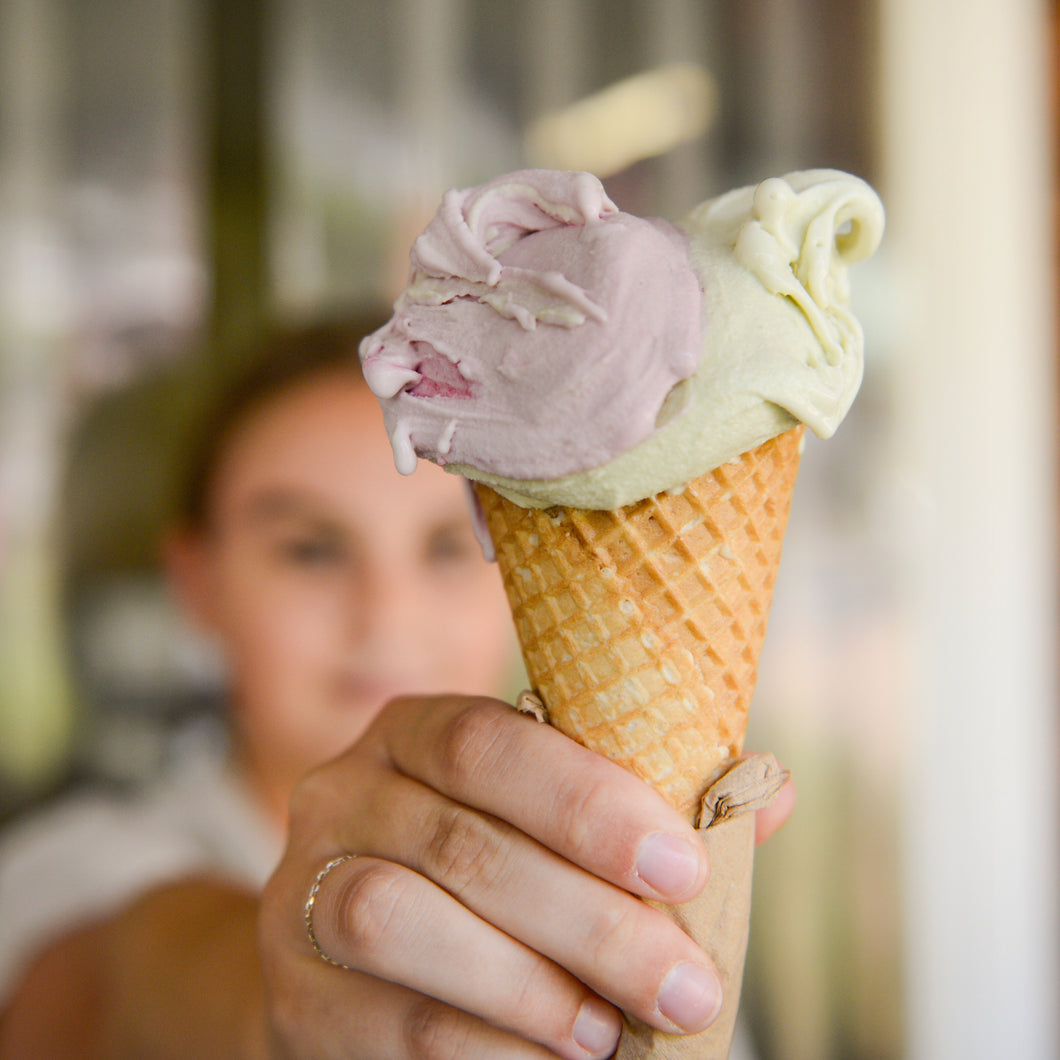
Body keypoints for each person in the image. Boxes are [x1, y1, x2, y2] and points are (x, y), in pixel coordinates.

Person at [0, 313, 793, 1058]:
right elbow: (121, 978)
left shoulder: (634, 896)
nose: (386, 618)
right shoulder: (71, 869)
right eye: (310, 550)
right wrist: (279, 1000)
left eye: (447, 546)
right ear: (199, 584)